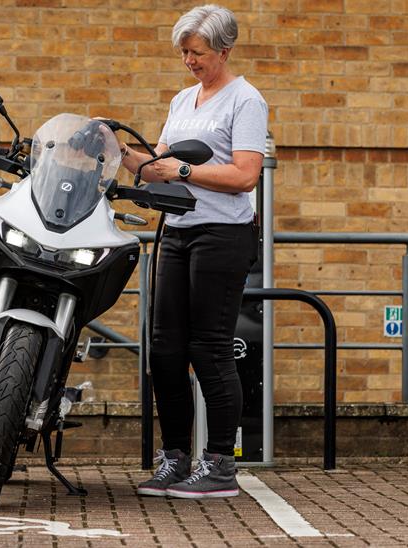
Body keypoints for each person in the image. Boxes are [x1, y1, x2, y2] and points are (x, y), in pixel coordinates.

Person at [115, 4, 268, 499]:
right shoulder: (183, 100)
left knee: (209, 347)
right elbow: (158, 164)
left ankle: (220, 465)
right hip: (177, 232)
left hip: (222, 236)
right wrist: (119, 155)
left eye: (197, 52)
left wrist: (181, 171)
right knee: (165, 351)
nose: (189, 61)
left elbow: (245, 175)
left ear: (224, 50)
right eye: (183, 52)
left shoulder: (246, 101)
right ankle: (175, 459)